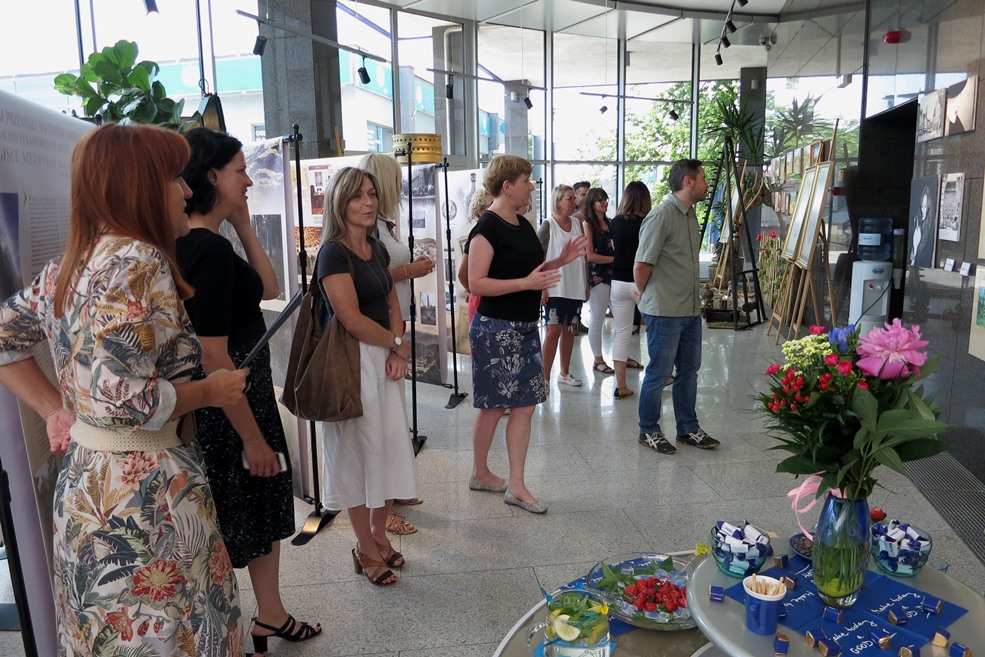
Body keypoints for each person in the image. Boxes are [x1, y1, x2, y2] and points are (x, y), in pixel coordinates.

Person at [0, 123, 249, 657]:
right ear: (140, 187)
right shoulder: (138, 261)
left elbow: (4, 336)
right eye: (175, 179)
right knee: (172, 632)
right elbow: (128, 398)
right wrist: (213, 391)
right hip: (145, 497)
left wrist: (55, 409)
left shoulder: (75, 263)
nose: (186, 191)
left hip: (90, 486)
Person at [175, 128, 321, 655]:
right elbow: (213, 355)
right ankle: (251, 621)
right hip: (232, 401)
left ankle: (270, 614)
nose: (249, 180)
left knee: (257, 507)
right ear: (212, 175)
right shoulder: (208, 252)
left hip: (232, 394)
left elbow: (271, 288)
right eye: (240, 171)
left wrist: (241, 222)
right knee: (249, 505)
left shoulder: (202, 244)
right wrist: (253, 439)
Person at [467, 156, 587, 514]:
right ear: (507, 186)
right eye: (526, 180)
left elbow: (529, 271)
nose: (532, 186)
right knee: (493, 406)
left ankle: (516, 485)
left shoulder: (521, 223)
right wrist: (526, 283)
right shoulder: (487, 228)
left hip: (523, 327)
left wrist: (559, 261)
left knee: (525, 405)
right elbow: (476, 282)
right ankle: (480, 472)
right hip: (495, 329)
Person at [315, 167, 417, 585]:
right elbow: (351, 319)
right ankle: (363, 546)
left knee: (389, 447)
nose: (369, 202)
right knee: (356, 456)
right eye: (358, 196)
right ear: (340, 203)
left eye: (372, 194)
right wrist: (394, 343)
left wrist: (398, 347)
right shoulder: (332, 253)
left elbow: (390, 298)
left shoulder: (374, 247)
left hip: (384, 357)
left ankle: (378, 533)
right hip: (351, 363)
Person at [358, 152, 433, 527]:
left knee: (392, 416)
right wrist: (411, 270)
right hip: (379, 331)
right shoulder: (368, 228)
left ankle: (392, 490)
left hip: (392, 325)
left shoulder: (383, 224)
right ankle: (380, 509)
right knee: (382, 421)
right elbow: (372, 277)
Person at [633, 159, 720, 455]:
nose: (706, 184)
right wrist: (647, 296)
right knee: (659, 373)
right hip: (665, 310)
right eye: (703, 178)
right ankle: (648, 430)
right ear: (688, 181)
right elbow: (642, 265)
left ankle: (687, 428)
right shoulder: (662, 215)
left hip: (690, 310)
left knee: (689, 371)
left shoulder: (690, 215)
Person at [538, 185, 588, 389]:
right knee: (553, 331)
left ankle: (564, 372)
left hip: (575, 285)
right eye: (569, 198)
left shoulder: (577, 224)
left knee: (569, 329)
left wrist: (586, 283)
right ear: (558, 201)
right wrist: (542, 287)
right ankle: (544, 378)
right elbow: (538, 258)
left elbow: (584, 255)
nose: (574, 201)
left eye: (574, 198)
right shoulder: (548, 225)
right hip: (555, 286)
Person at [609, 181, 652, 398]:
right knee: (656, 329)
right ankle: (663, 376)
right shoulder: (647, 222)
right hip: (641, 282)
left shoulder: (615, 222)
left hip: (617, 283)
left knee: (622, 333)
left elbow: (615, 250)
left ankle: (621, 385)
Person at [581, 187, 618, 377]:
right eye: (600, 200)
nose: (604, 203)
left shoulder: (610, 223)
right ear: (592, 203)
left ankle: (621, 356)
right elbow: (590, 255)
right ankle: (598, 359)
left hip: (615, 274)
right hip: (598, 275)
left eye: (605, 199)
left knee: (621, 318)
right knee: (598, 317)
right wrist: (615, 259)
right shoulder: (588, 224)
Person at [909, 185, 935, 268]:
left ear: (929, 207)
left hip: (921, 263)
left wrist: (915, 259)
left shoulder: (927, 225)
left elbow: (922, 245)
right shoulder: (917, 220)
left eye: (925, 206)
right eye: (922, 206)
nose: (923, 210)